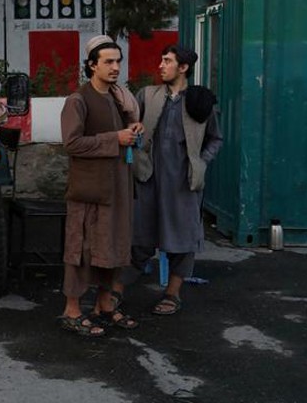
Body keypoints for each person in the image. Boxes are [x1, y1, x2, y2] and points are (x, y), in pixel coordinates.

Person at [113, 45, 223, 316]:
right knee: (138, 238)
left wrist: (201, 162)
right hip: (147, 179)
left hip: (183, 184)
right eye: (161, 60)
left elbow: (215, 138)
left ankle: (172, 295)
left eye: (167, 61)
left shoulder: (200, 101)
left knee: (183, 241)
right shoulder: (147, 95)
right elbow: (127, 122)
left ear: (183, 68)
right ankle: (115, 290)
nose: (161, 65)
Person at [58, 35, 143, 337]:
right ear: (92, 65)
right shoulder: (77, 101)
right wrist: (114, 139)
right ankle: (72, 310)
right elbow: (72, 144)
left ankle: (105, 305)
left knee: (113, 246)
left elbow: (122, 132)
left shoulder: (118, 99)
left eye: (118, 61)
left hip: (118, 186)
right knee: (81, 248)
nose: (115, 67)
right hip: (90, 189)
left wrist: (132, 129)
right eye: (108, 61)